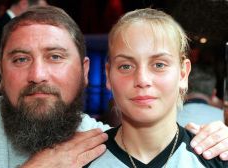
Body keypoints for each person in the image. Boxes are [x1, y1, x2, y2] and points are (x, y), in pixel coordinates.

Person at [0, 6, 228, 168]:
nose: (38, 75)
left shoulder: (92, 141)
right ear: (0, 72)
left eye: (55, 57)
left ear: (85, 72)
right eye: (20, 59)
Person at [86, 8, 228, 167]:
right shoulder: (81, 160)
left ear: (183, 74)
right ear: (108, 76)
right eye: (126, 66)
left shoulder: (216, 158)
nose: (142, 79)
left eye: (159, 64)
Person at [0, 0, 48, 97]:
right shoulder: (4, 28)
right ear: (24, 3)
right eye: (39, 10)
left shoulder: (6, 24)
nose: (40, 15)